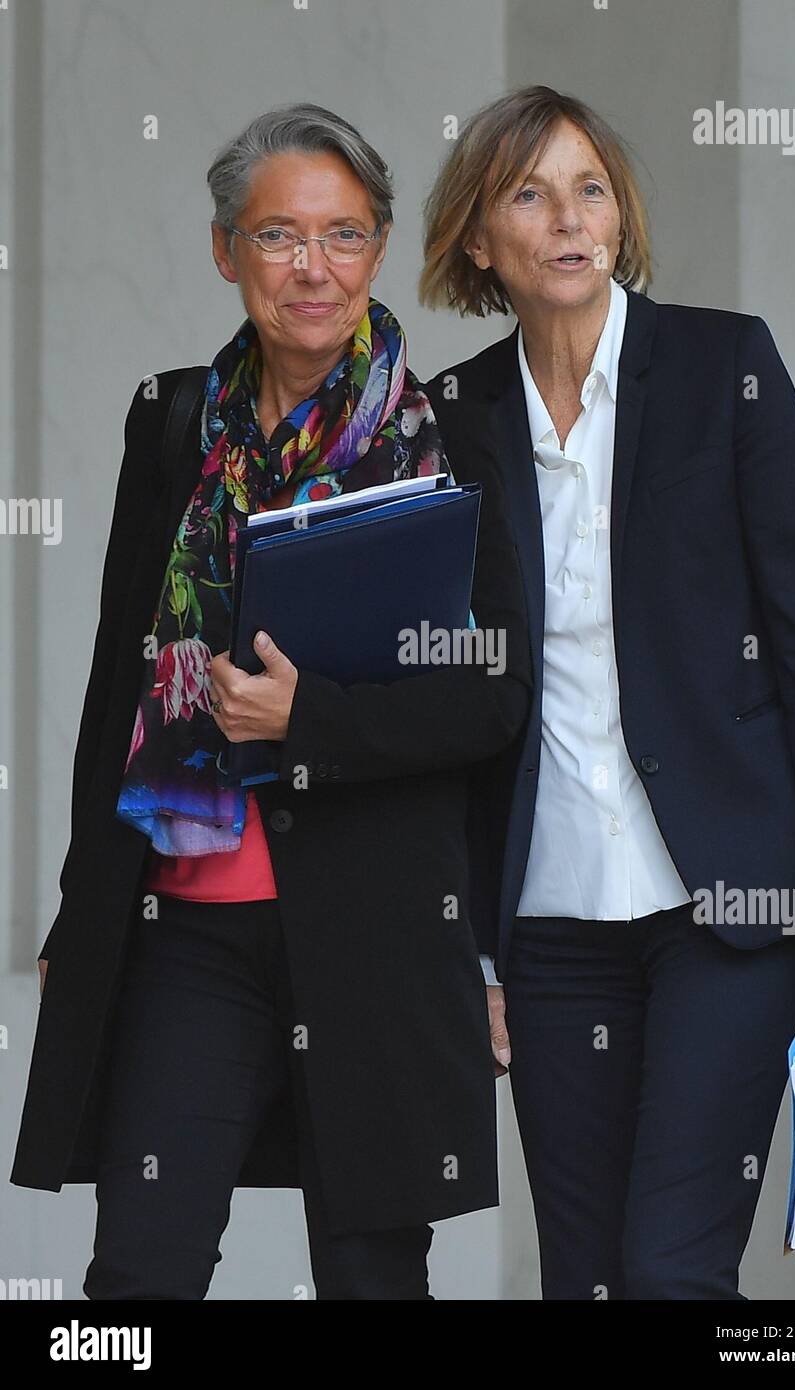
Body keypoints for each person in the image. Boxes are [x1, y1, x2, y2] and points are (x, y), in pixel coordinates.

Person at [10, 102, 531, 1300]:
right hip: (188, 922)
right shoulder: (175, 421)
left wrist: (314, 727)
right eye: (278, 235)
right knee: (135, 1282)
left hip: (378, 926)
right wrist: (86, 894)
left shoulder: (451, 438)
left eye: (344, 235)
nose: (313, 268)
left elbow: (492, 697)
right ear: (223, 248)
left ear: (382, 246)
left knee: (372, 1282)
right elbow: (118, 672)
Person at [419, 84, 795, 1300]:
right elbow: (448, 707)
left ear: (622, 221)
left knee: (668, 1272)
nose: (568, 218)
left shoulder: (721, 365)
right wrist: (464, 945)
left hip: (725, 903)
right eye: (528, 194)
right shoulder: (454, 420)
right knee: (582, 1278)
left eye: (591, 190)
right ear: (480, 238)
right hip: (547, 926)